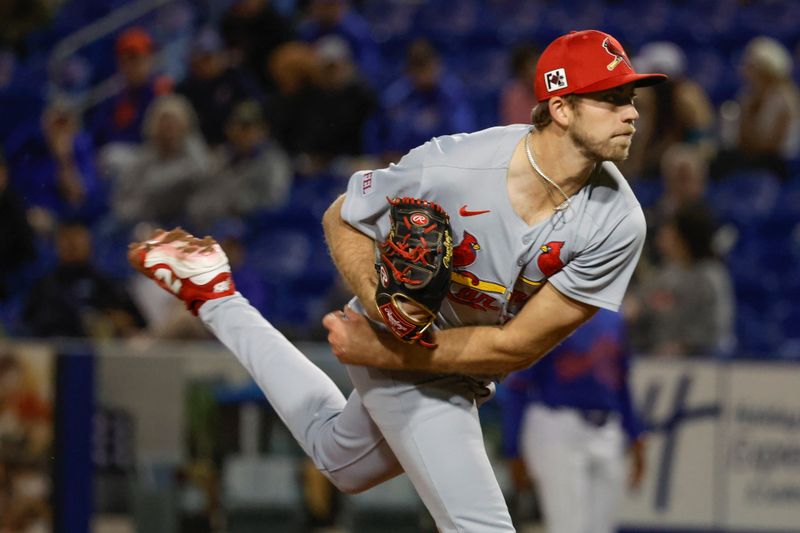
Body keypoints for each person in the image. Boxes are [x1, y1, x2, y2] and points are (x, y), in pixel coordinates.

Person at [128, 30, 665, 532]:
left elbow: (515, 347)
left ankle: (214, 293)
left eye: (631, 98)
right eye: (613, 98)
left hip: (441, 357)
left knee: (341, 460)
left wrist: (389, 351)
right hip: (403, 342)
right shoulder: (458, 167)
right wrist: (380, 309)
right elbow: (343, 214)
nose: (631, 113)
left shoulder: (619, 222)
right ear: (561, 107)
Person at [500, 309, 646, 533]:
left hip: (607, 428)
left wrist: (636, 436)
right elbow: (519, 386)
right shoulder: (550, 312)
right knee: (567, 526)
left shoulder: (614, 318)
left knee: (603, 527)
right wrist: (513, 449)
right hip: (556, 424)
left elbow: (621, 385)